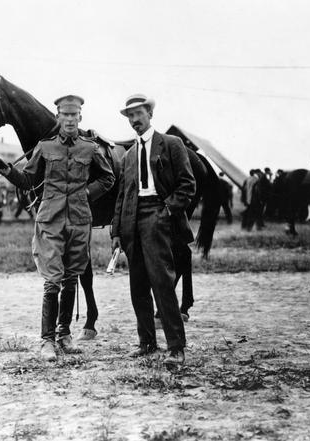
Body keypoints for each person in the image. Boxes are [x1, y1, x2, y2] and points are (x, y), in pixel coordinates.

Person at [0, 94, 115, 361]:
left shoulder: (90, 149)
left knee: (71, 279)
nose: (70, 120)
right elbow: (27, 180)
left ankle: (64, 335)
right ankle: (47, 341)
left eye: (74, 115)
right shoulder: (45, 148)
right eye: (65, 115)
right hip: (50, 221)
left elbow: (108, 178)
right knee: (52, 280)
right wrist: (6, 170)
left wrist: (86, 194)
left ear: (80, 117)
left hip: (79, 222)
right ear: (58, 117)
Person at [111, 94, 195, 366]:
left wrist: (166, 211)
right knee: (137, 285)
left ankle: (176, 347)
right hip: (130, 221)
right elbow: (121, 196)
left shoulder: (171, 144)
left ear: (149, 113)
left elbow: (187, 185)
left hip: (158, 217)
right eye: (130, 116)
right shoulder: (129, 156)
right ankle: (147, 342)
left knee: (162, 282)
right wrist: (116, 232)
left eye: (139, 114)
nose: (135, 121)